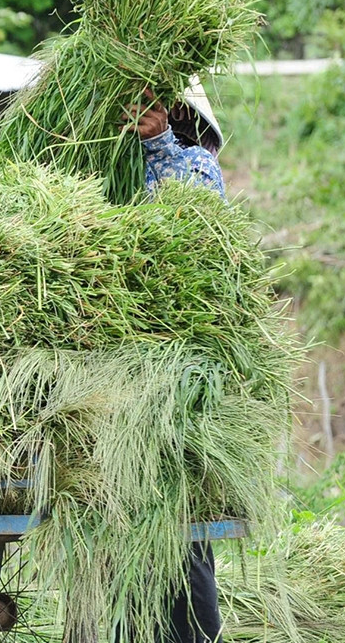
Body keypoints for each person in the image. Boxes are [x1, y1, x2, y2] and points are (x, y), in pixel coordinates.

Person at [121, 75, 226, 643]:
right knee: (120, 535)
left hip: (177, 372)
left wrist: (160, 146)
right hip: (121, 366)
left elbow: (192, 236)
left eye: (166, 114)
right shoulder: (115, 170)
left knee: (183, 532)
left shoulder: (197, 168)